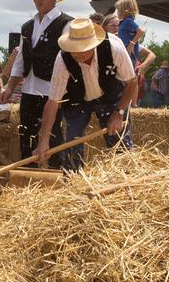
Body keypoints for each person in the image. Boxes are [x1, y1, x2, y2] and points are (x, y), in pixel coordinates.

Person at [35, 18, 135, 171]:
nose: (76, 53)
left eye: (82, 48)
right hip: (77, 100)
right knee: (72, 140)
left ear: (93, 44)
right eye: (74, 48)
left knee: (119, 141)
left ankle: (126, 175)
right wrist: (44, 141)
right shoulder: (63, 60)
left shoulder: (114, 48)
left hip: (111, 96)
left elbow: (132, 82)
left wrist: (119, 113)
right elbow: (53, 102)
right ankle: (73, 178)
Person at [0, 0, 73, 158]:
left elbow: (67, 59)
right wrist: (10, 86)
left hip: (52, 91)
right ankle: (27, 176)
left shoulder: (66, 23)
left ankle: (56, 175)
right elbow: (21, 60)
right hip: (29, 90)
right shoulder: (28, 26)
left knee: (54, 136)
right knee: (27, 136)